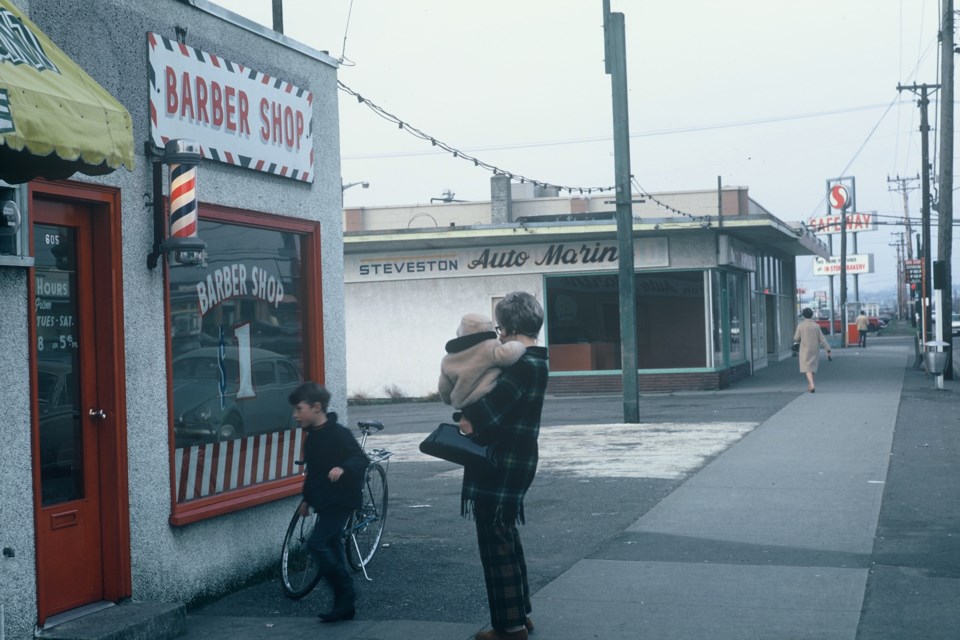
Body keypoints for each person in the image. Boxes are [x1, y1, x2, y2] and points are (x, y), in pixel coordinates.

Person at [458, 292, 549, 640]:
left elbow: (488, 413)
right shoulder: (537, 360)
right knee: (506, 536)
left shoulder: (522, 366)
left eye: (499, 328)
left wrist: (466, 414)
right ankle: (520, 615)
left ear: (509, 328)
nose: (498, 335)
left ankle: (509, 628)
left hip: (501, 463)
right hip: (518, 460)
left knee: (495, 544)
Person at [289, 382, 369, 623]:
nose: (295, 415)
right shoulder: (312, 438)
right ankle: (344, 606)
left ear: (316, 407)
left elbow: (360, 459)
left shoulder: (338, 433)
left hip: (342, 498)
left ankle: (347, 592)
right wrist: (307, 500)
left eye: (299, 409)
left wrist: (343, 468)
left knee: (317, 543)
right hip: (325, 499)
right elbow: (313, 472)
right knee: (331, 547)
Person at [438, 312, 526, 417]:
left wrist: (448, 400)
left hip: (464, 406)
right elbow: (509, 354)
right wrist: (519, 344)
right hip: (487, 400)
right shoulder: (490, 347)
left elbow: (444, 389)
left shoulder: (448, 359)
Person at [794, 308, 832, 393]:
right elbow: (822, 338)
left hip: (804, 348)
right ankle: (810, 385)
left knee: (807, 368)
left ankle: (812, 384)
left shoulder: (801, 326)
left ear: (803, 315)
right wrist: (828, 349)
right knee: (812, 367)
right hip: (814, 348)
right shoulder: (816, 325)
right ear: (812, 315)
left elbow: (796, 338)